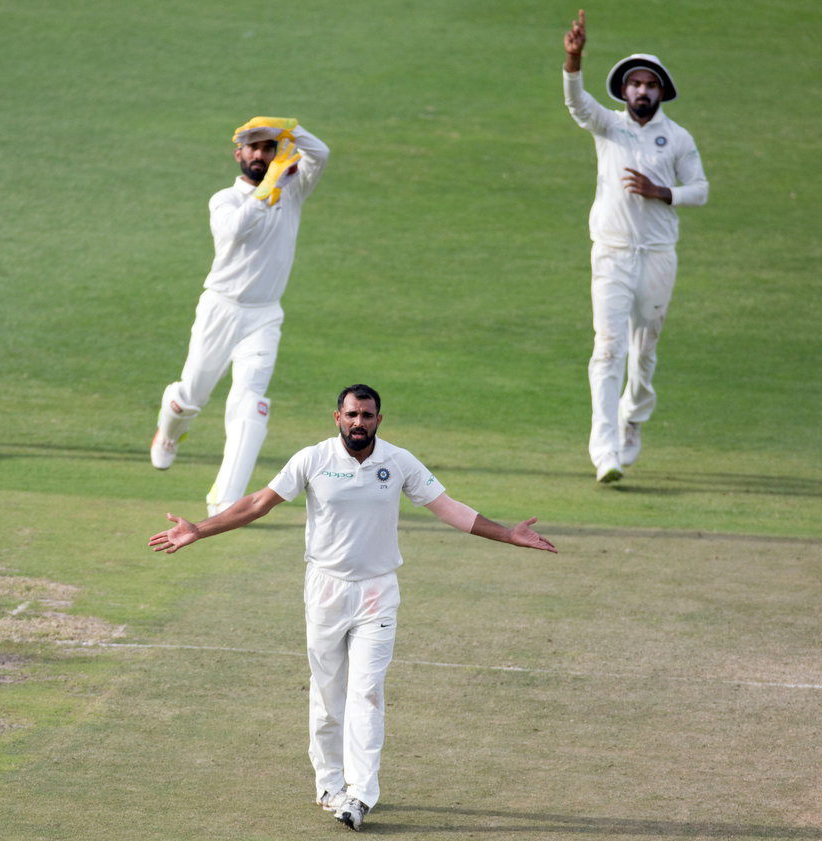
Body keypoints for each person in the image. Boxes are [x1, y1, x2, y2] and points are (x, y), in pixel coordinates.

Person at [149, 384, 557, 831]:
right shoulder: (313, 459)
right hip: (325, 589)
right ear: (337, 418)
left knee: (367, 692)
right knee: (328, 696)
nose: (358, 422)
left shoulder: (398, 462)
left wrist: (508, 534)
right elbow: (258, 504)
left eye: (366, 415)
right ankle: (329, 786)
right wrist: (200, 529)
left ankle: (360, 795)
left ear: (379, 420)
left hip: (377, 592)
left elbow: (449, 509)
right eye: (351, 415)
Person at [149, 117, 329, 515]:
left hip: (265, 316)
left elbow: (321, 154)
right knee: (190, 398)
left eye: (268, 147)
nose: (261, 154)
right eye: (253, 148)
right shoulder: (224, 199)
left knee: (251, 405)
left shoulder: (293, 189)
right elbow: (234, 231)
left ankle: (225, 501)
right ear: (239, 155)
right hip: (221, 309)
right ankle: (169, 432)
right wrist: (267, 188)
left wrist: (292, 129)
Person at [562, 10, 708, 482]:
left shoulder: (677, 138)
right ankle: (604, 451)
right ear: (623, 91)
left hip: (658, 255)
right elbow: (576, 104)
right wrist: (574, 59)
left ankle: (633, 417)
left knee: (643, 354)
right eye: (635, 84)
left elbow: (700, 190)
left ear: (661, 92)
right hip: (611, 252)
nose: (642, 91)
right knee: (608, 349)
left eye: (650, 85)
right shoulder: (609, 126)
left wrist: (661, 192)